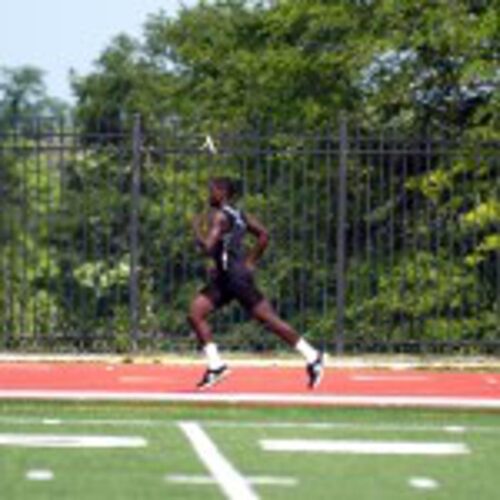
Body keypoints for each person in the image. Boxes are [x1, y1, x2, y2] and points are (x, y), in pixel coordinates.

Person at [188, 177, 324, 390]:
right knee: (196, 312)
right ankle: (216, 366)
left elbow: (207, 247)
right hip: (225, 279)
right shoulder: (239, 215)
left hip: (235, 279)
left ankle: (313, 356)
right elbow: (263, 235)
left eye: (212, 190)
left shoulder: (220, 217)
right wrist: (249, 262)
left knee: (269, 320)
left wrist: (196, 231)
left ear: (223, 193)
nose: (209, 194)